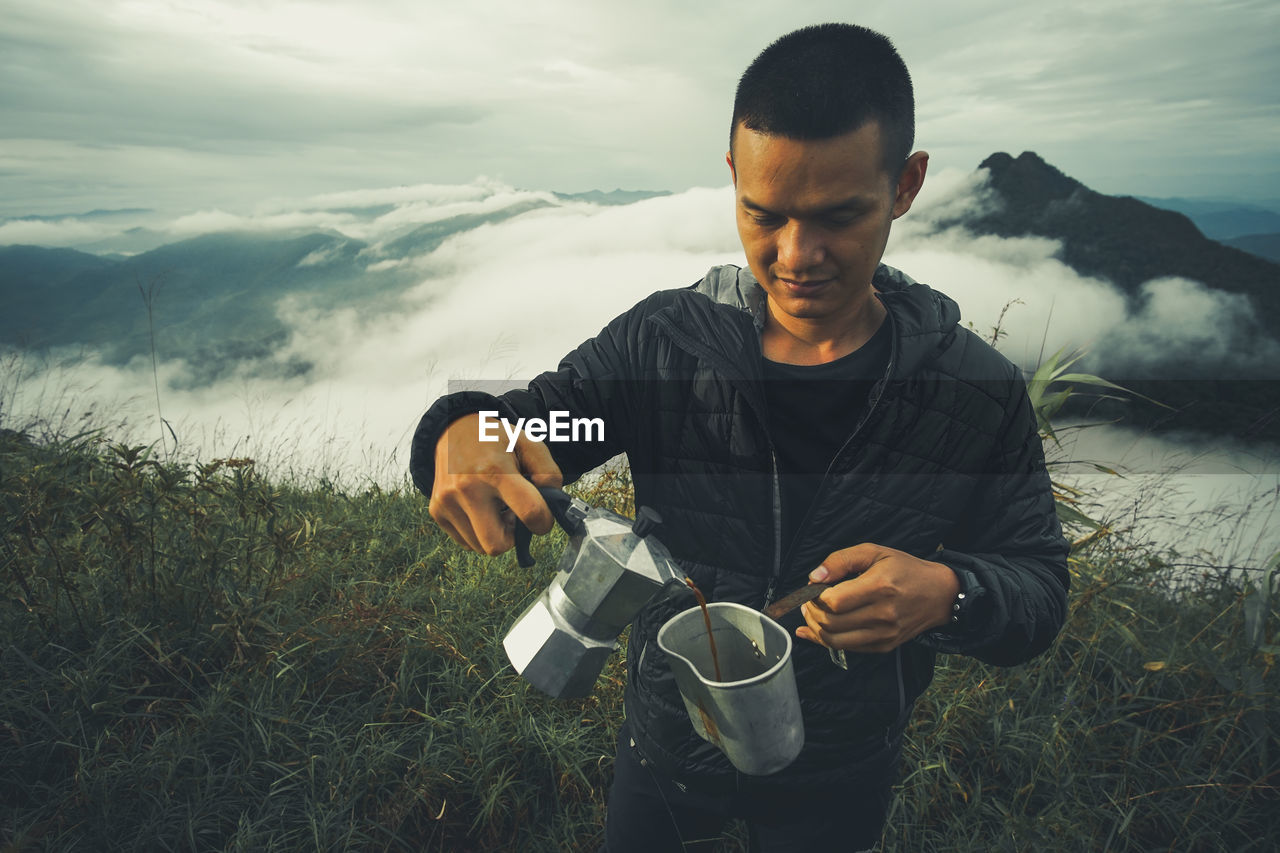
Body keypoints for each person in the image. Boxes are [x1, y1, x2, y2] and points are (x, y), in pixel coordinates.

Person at [410, 22, 1070, 852]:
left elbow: (1040, 588)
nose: (796, 256)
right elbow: (542, 425)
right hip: (665, 751)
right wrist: (467, 429)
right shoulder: (664, 349)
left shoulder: (971, 393)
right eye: (764, 214)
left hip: (840, 773)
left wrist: (948, 592)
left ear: (905, 185)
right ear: (732, 177)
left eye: (840, 216)